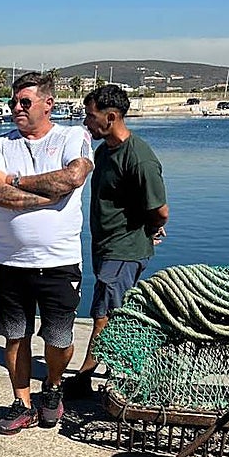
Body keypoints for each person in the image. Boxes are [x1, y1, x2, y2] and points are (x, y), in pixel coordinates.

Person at [0, 71, 93, 435]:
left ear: (49, 104)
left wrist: (17, 182)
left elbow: (72, 179)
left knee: (59, 339)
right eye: (13, 102)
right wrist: (46, 193)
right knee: (15, 336)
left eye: (25, 102)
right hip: (9, 262)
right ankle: (21, 402)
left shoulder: (73, 137)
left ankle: (54, 389)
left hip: (59, 262)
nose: (16, 108)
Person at [67, 84, 169, 398]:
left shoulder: (138, 158)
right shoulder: (104, 151)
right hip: (107, 247)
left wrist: (150, 230)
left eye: (91, 115)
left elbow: (160, 210)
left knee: (104, 314)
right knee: (115, 310)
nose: (87, 121)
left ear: (111, 117)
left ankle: (85, 378)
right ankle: (121, 373)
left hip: (124, 250)